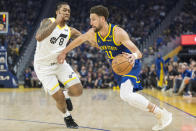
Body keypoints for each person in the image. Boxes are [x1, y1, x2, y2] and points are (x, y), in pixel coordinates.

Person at [57, 5, 172, 130]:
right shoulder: (93, 33)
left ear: (102, 19)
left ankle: (161, 114)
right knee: (125, 96)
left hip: (130, 63)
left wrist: (133, 56)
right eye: (90, 19)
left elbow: (139, 53)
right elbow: (79, 40)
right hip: (118, 68)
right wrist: (64, 52)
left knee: (126, 94)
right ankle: (160, 113)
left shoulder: (118, 33)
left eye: (93, 19)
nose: (91, 23)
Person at [34, 2, 83, 129]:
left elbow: (86, 39)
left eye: (68, 11)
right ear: (57, 12)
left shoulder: (70, 30)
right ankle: (67, 117)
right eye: (64, 10)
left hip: (59, 64)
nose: (67, 12)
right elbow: (39, 37)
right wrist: (56, 22)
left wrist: (106, 46)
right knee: (59, 99)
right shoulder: (48, 21)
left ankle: (66, 94)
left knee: (78, 91)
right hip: (43, 67)